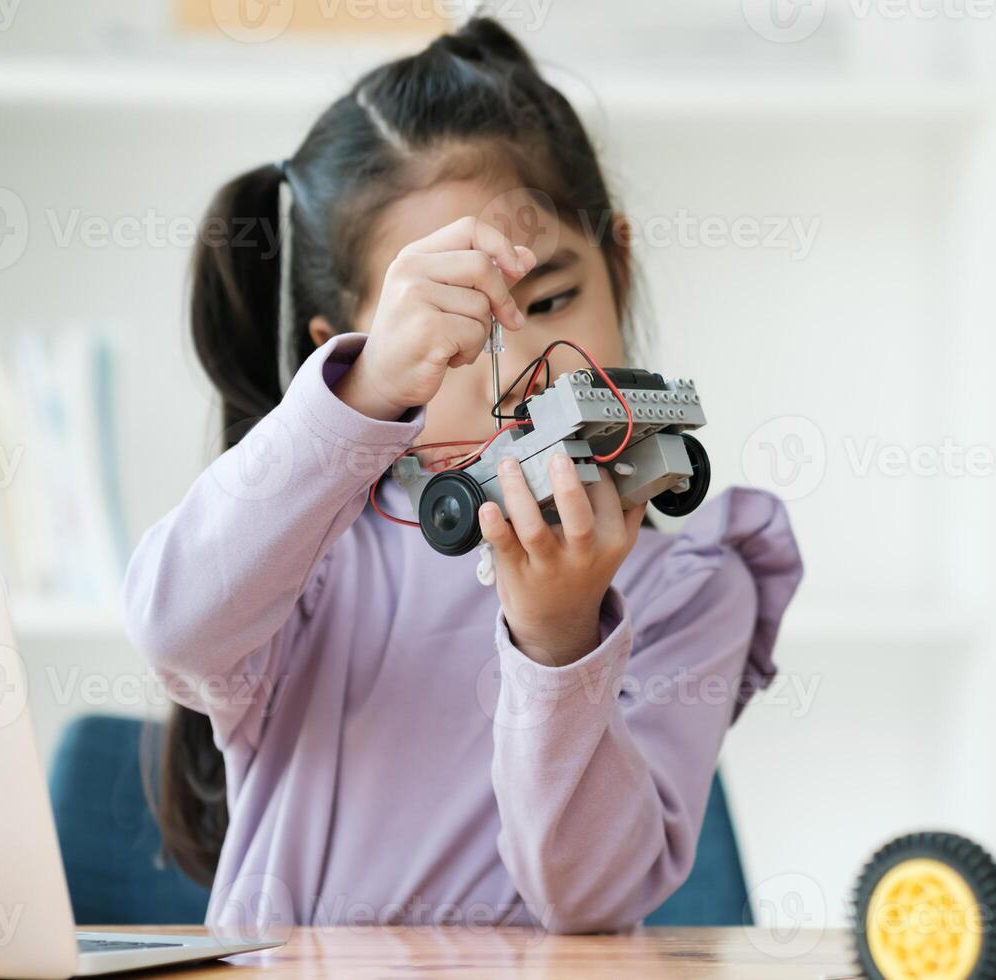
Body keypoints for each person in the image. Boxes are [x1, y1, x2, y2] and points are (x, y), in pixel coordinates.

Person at [124, 17, 802, 934]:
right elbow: (172, 627)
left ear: (619, 264)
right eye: (456, 329)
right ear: (353, 349)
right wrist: (358, 397)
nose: (522, 360)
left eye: (554, 299)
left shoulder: (693, 588)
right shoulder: (308, 561)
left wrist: (560, 641)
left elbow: (591, 895)